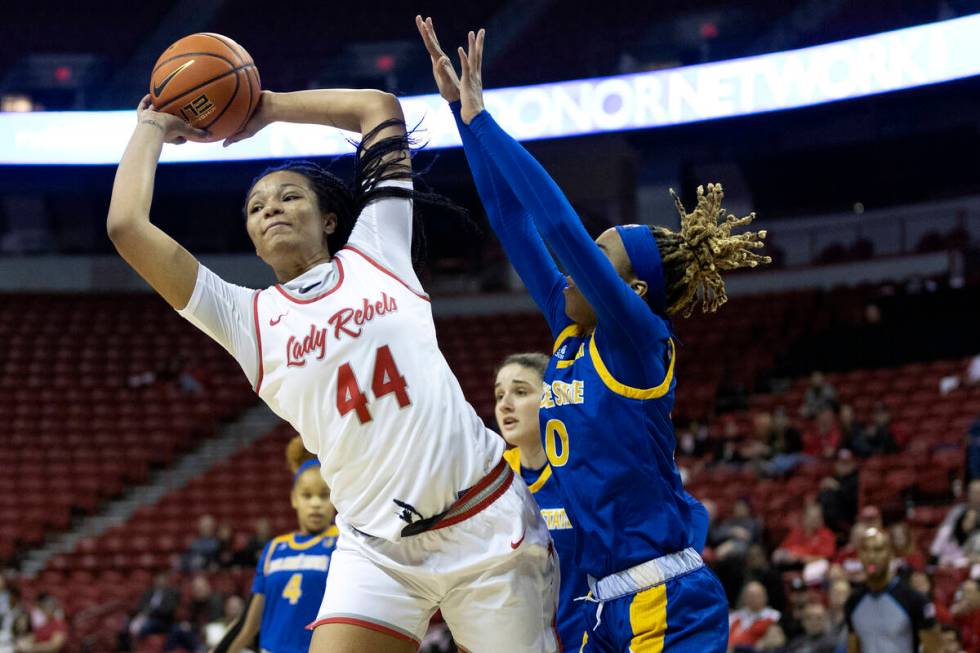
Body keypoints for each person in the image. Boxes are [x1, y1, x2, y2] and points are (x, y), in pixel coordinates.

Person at [108, 80, 557, 651]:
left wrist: (264, 108)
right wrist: (151, 127)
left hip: (485, 521)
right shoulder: (246, 319)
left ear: (327, 220)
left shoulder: (376, 247)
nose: (270, 207)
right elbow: (127, 227)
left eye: (289, 196)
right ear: (250, 237)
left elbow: (378, 109)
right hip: (376, 549)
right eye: (255, 206)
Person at [417, 16, 768, 651]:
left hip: (661, 595)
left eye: (601, 256)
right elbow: (510, 218)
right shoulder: (570, 334)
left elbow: (556, 224)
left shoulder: (638, 339)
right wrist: (461, 118)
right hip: (590, 603)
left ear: (631, 291)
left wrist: (488, 120)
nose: (578, 266)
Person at [495, 352, 589, 649]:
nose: (505, 404)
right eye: (499, 395)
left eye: (520, 392)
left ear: (551, 399)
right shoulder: (491, 479)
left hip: (585, 640)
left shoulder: (582, 474)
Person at [213, 436, 337, 653]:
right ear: (294, 499)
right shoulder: (274, 549)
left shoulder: (344, 543)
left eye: (324, 495)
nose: (316, 503)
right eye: (307, 495)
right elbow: (248, 624)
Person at [844, 528, 940, 652]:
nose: (871, 556)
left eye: (878, 550)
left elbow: (934, 649)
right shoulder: (853, 602)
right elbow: (853, 649)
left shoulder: (914, 600)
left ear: (890, 554)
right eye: (865, 550)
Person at [728, 582, 785, 652]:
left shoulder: (775, 617)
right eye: (750, 595)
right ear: (744, 597)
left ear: (765, 597)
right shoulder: (734, 617)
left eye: (757, 595)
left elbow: (777, 640)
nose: (753, 598)